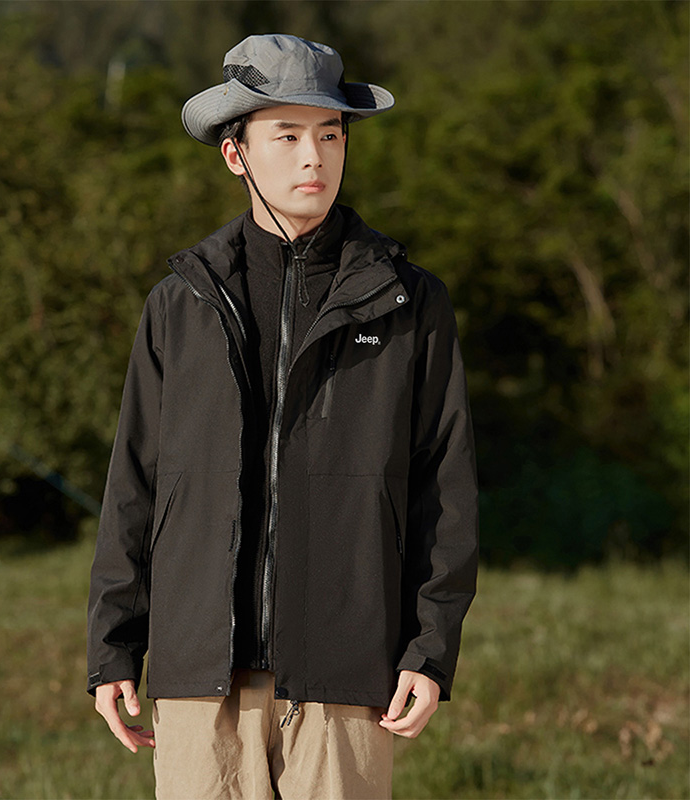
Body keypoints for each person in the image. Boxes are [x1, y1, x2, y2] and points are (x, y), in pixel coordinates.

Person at [87, 33, 478, 800]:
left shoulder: (409, 302)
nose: (314, 158)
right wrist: (112, 648)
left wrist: (430, 649)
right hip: (200, 675)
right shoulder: (180, 303)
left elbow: (446, 485)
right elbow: (135, 482)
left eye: (330, 135)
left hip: (346, 672)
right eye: (288, 136)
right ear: (235, 154)